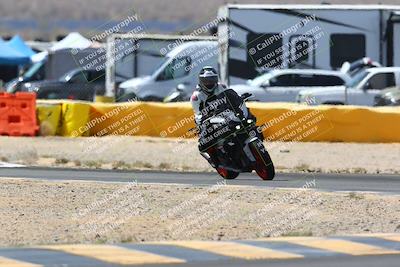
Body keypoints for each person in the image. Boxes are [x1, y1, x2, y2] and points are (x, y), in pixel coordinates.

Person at [190, 66, 256, 167]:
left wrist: (240, 98)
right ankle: (213, 157)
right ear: (201, 81)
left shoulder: (222, 87)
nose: (209, 83)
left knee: (246, 120)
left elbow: (232, 96)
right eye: (206, 80)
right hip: (208, 119)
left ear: (216, 79)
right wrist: (202, 119)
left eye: (212, 79)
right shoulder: (196, 96)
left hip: (225, 114)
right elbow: (197, 113)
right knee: (205, 141)